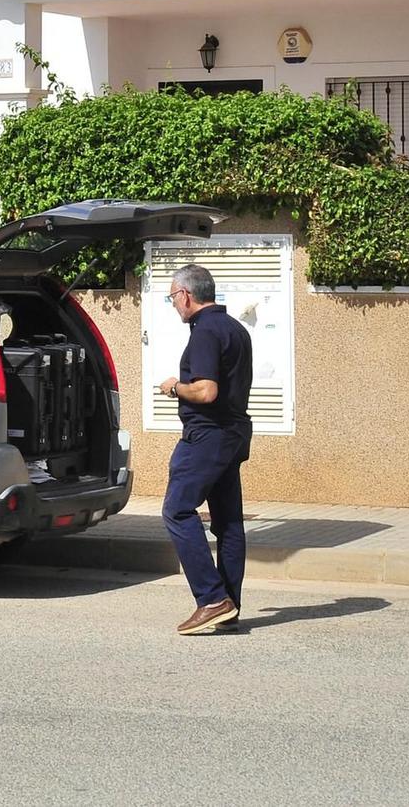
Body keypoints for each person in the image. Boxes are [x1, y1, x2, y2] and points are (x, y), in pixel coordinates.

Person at [154, 262, 252, 635]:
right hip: (233, 434)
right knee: (228, 524)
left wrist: (175, 387)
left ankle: (212, 600)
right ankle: (229, 606)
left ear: (186, 295)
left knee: (177, 511)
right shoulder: (235, 329)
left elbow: (206, 390)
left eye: (172, 298)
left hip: (207, 436)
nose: (174, 304)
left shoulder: (206, 332)